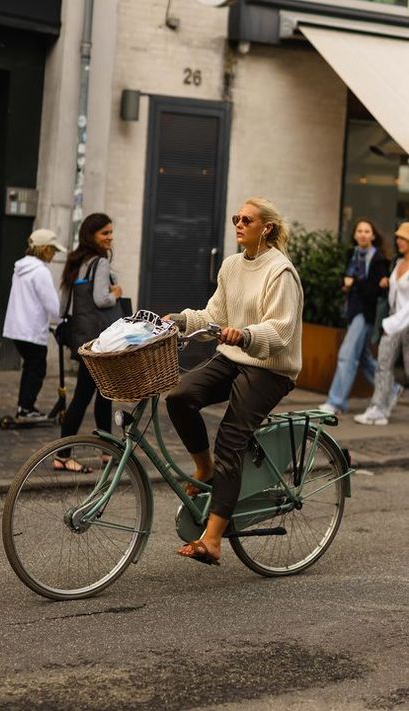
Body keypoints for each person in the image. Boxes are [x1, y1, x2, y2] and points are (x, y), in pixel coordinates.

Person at [164, 197, 303, 566]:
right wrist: (179, 320)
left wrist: (245, 335)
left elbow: (282, 330)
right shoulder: (231, 265)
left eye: (246, 219)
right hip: (233, 357)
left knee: (231, 437)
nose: (238, 224)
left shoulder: (281, 272)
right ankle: (203, 467)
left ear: (266, 228)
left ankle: (212, 539)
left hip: (270, 366)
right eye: (235, 218)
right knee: (179, 395)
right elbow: (214, 315)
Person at [53, 213, 123, 473]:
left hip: (81, 337)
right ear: (91, 235)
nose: (110, 237)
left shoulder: (75, 261)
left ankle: (107, 453)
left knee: (103, 394)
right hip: (98, 340)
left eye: (111, 232)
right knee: (86, 396)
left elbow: (62, 306)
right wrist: (115, 293)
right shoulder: (99, 262)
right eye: (105, 233)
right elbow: (101, 300)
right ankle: (62, 456)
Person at [319, 219, 389, 415]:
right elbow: (347, 280)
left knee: (346, 355)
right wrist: (346, 286)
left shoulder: (378, 259)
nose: (363, 234)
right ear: (355, 234)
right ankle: (391, 389)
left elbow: (377, 290)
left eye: (367, 231)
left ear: (373, 236)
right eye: (360, 231)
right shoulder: (353, 254)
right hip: (352, 310)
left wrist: (355, 283)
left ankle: (336, 402)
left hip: (366, 313)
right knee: (364, 358)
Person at [2, 228, 65, 421]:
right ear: (44, 249)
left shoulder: (20, 269)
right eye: (53, 250)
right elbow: (52, 305)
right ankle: (26, 408)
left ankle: (24, 406)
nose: (54, 254)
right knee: (37, 368)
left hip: (16, 328)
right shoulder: (41, 272)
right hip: (31, 330)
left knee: (30, 367)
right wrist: (63, 320)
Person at [354, 222, 409, 425]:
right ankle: (379, 408)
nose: (399, 241)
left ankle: (381, 407)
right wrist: (387, 282)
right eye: (398, 238)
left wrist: (393, 323)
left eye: (403, 238)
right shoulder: (397, 262)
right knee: (383, 365)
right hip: (394, 320)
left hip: (403, 322)